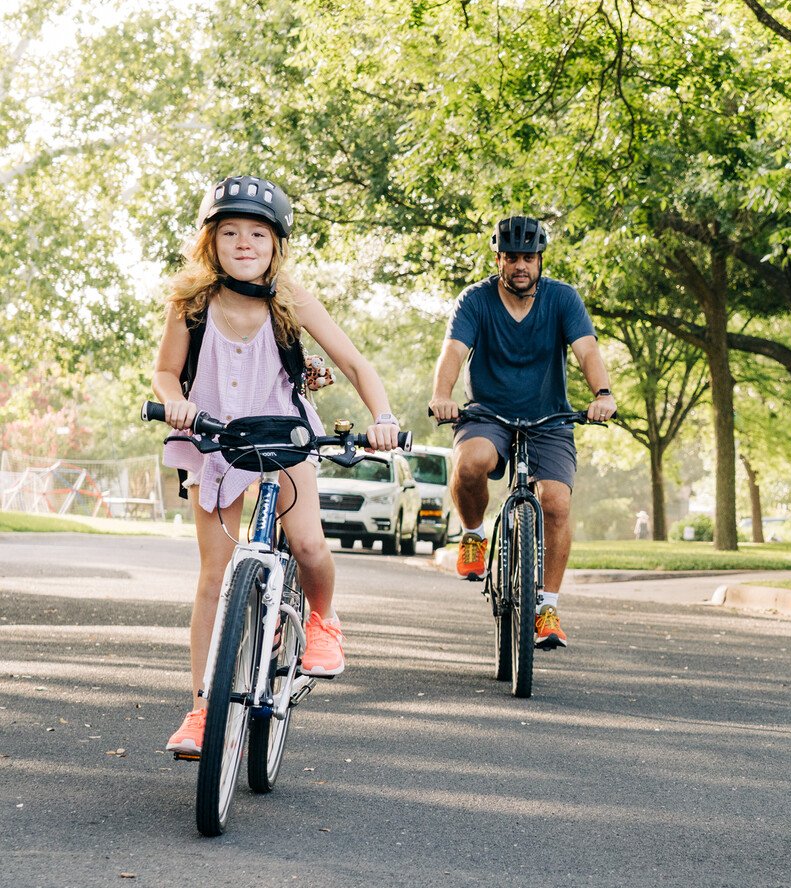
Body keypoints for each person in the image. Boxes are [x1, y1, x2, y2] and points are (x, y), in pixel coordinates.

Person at [153, 175, 402, 758]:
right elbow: (166, 371)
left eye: (258, 234)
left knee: (309, 543)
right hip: (214, 438)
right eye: (230, 232)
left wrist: (383, 415)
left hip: (286, 435)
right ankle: (201, 709)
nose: (244, 243)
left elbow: (357, 364)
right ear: (210, 241)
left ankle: (323, 620)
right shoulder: (190, 301)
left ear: (276, 245)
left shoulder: (290, 299)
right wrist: (176, 400)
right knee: (214, 579)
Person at [427, 217, 616, 650]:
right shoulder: (475, 300)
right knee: (471, 462)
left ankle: (547, 606)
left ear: (539, 261)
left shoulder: (563, 299)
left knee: (555, 501)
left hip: (549, 417)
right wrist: (442, 394)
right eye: (511, 257)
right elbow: (453, 351)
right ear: (498, 259)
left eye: (528, 257)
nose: (519, 265)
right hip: (488, 413)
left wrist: (602, 393)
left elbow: (586, 349)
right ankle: (473, 535)